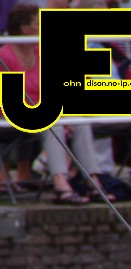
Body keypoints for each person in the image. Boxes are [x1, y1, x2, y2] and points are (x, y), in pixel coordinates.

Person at [0, 3, 113, 205]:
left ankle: (93, 182)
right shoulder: (4, 57)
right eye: (39, 24)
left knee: (79, 122)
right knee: (54, 125)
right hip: (11, 115)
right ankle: (61, 185)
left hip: (44, 112)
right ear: (24, 29)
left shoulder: (42, 52)